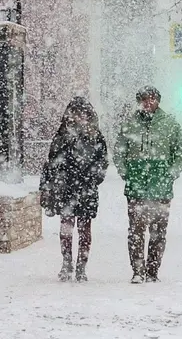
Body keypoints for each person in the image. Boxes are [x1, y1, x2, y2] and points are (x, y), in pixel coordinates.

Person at [113, 85, 182, 284]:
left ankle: (153, 270)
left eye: (152, 99)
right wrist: (126, 173)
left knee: (158, 231)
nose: (149, 103)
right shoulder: (130, 124)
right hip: (136, 187)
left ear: (158, 100)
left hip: (161, 188)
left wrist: (170, 174)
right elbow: (119, 152)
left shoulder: (170, 124)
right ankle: (137, 270)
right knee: (136, 231)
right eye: (145, 99)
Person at [40, 97, 108, 282]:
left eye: (82, 113)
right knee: (67, 228)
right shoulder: (62, 136)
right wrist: (51, 184)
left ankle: (81, 266)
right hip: (66, 188)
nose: (79, 117)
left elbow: (102, 161)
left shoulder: (95, 136)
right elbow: (52, 162)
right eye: (76, 113)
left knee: (84, 229)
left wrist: (93, 179)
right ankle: (67, 262)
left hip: (86, 189)